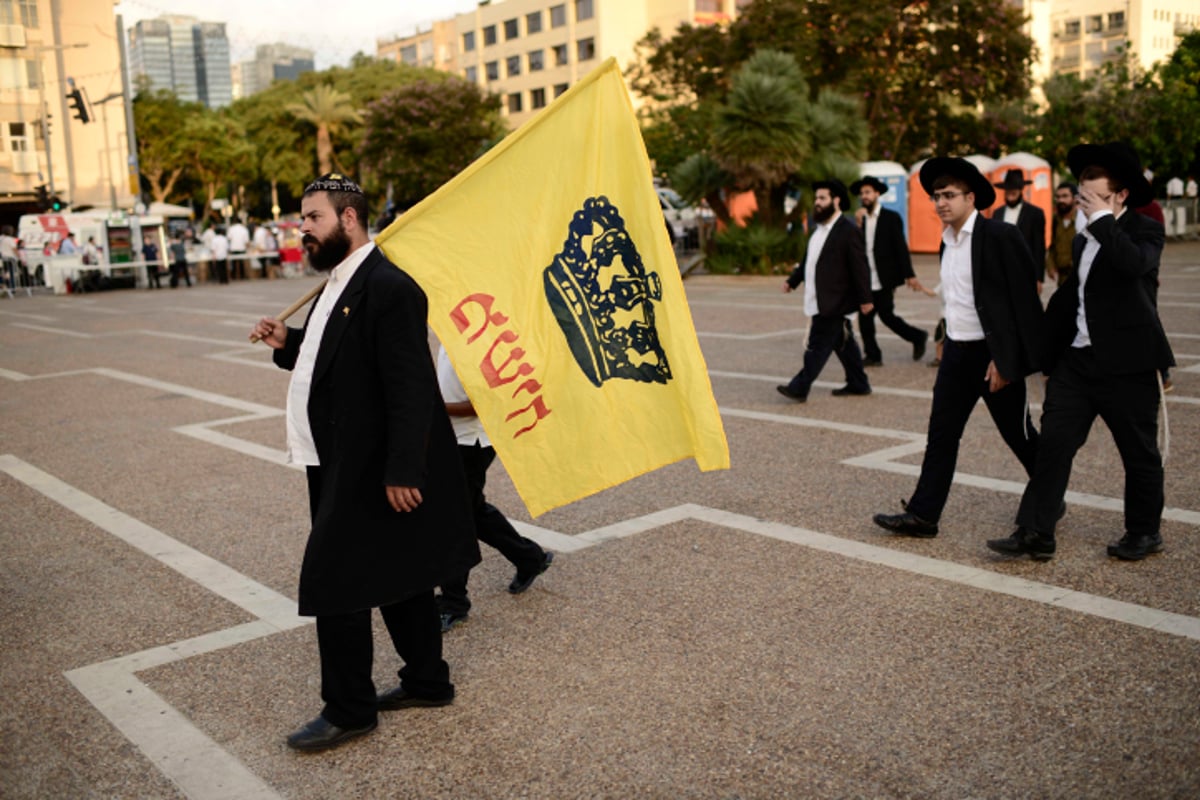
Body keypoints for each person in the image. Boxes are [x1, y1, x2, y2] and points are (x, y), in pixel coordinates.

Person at [249, 173, 480, 752]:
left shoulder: (390, 287)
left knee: (336, 580)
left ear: (348, 220)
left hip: (369, 464)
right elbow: (339, 359)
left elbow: (410, 388)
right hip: (334, 455)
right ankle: (428, 681)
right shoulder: (338, 283)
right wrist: (289, 344)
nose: (302, 229)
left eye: (312, 218)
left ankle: (349, 708)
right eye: (302, 219)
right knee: (400, 572)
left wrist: (405, 469)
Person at [990, 143, 1174, 562]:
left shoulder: (1144, 231)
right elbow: (1070, 299)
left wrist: (1104, 221)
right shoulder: (1082, 239)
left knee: (1138, 450)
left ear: (1120, 196)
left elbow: (1130, 266)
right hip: (1078, 362)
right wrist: (1043, 356)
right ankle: (1036, 530)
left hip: (1128, 364)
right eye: (1083, 197)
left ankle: (1144, 531)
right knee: (1054, 442)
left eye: (1096, 199)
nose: (1086, 206)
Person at [873, 158, 1043, 538]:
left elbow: (1024, 305)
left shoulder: (1000, 237)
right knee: (942, 435)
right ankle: (923, 515)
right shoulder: (946, 242)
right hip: (957, 354)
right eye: (936, 197)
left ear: (971, 198)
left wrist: (1006, 361)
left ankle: (1048, 495)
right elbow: (956, 302)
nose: (940, 203)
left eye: (949, 196)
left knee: (1020, 435)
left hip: (993, 358)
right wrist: (945, 343)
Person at [434, 345, 554, 632]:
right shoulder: (447, 327)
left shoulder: (476, 340)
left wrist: (435, 408)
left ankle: (454, 603)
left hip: (472, 443)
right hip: (453, 439)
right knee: (472, 512)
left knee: (454, 521)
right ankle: (530, 557)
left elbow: (484, 405)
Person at [777, 179, 874, 402]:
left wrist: (865, 298)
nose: (817, 203)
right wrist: (792, 281)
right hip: (819, 299)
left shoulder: (848, 230)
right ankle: (859, 383)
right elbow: (807, 262)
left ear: (836, 200)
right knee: (844, 343)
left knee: (817, 346)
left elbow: (860, 267)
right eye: (817, 198)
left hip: (835, 301)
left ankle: (799, 387)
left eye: (822, 198)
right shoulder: (818, 230)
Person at [851, 176, 929, 366]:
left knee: (887, 316)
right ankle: (873, 355)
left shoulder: (891, 218)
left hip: (884, 277)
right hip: (866, 278)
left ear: (877, 194)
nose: (865, 196)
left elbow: (900, 248)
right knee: (865, 318)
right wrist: (858, 225)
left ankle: (918, 336)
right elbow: (855, 248)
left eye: (868, 192)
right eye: (862, 194)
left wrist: (909, 274)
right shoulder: (860, 219)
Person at [992, 168, 1046, 289]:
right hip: (1001, 272)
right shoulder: (997, 213)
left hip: (1025, 271)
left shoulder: (1035, 213)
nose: (1011, 191)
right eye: (1008, 188)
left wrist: (1038, 278)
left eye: (1014, 188)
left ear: (1021, 189)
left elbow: (1039, 247)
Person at [1046, 182, 1079, 288]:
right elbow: (1053, 245)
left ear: (1074, 198)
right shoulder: (1056, 220)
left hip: (1078, 277)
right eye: (1058, 197)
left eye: (1065, 196)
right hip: (1061, 279)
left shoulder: (1082, 220)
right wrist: (1050, 266)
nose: (1060, 200)